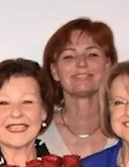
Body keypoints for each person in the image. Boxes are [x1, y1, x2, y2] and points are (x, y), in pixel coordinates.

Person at [41, 18, 118, 159]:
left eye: (92, 54)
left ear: (109, 65)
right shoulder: (38, 133)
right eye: (69, 56)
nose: (82, 63)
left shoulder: (126, 126)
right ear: (54, 71)